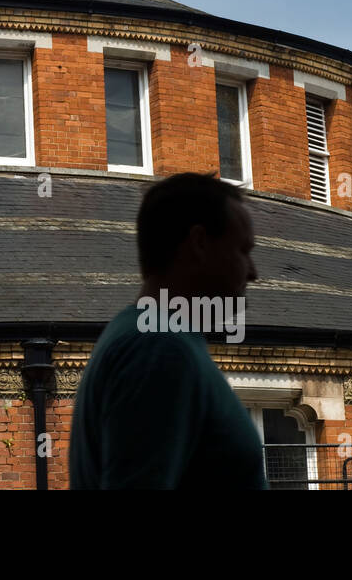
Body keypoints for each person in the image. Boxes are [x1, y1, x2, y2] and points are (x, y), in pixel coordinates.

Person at [69, 172, 268, 489]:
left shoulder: (152, 337)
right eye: (243, 250)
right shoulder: (158, 348)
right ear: (199, 243)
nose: (254, 272)